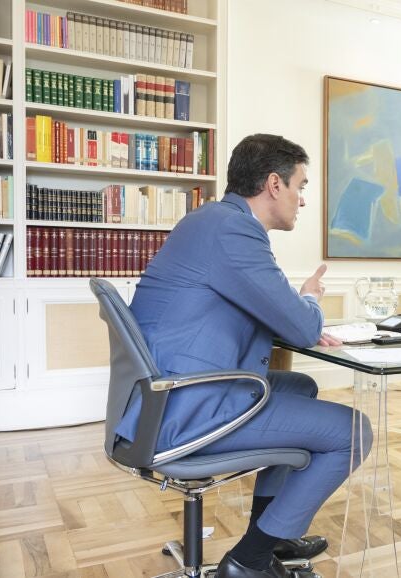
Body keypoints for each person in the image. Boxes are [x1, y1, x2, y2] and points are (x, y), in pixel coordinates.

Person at [118, 133, 371, 578]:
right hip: (185, 410)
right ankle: (248, 561)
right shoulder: (233, 230)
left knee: (300, 386)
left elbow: (270, 314)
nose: (302, 199)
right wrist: (309, 299)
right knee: (354, 432)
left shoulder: (210, 221)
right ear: (274, 184)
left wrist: (296, 312)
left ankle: (270, 534)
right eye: (300, 186)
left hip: (164, 397)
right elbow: (302, 327)